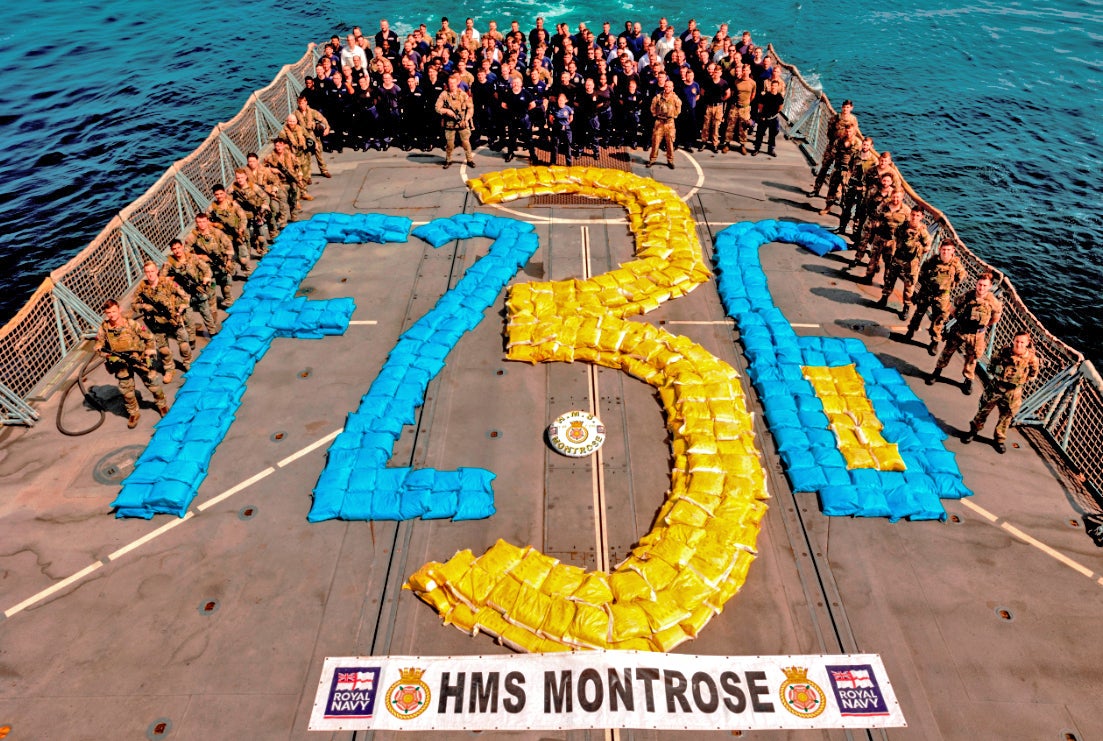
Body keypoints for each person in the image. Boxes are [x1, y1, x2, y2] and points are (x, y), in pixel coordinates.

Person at [94, 299, 168, 428]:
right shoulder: (104, 328)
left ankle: (162, 405)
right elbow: (99, 345)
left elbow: (149, 337)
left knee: (153, 383)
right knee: (127, 391)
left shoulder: (131, 324)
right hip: (120, 364)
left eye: (114, 311)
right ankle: (133, 413)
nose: (112, 315)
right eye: (108, 313)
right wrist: (106, 354)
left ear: (119, 310)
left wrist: (149, 351)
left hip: (139, 358)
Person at [962, 331, 1040, 453]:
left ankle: (999, 439)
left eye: (1022, 342)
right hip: (996, 387)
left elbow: (1033, 374)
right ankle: (973, 431)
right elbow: (991, 365)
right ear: (1013, 341)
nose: (1019, 344)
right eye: (1017, 341)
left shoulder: (1032, 359)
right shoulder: (1004, 352)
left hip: (1013, 392)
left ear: (1027, 343)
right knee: (983, 410)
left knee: (1006, 416)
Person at [927, 272, 1002, 395]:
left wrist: (983, 327)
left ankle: (968, 380)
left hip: (976, 335)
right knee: (947, 351)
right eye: (979, 284)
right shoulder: (967, 296)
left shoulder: (993, 302)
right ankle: (937, 372)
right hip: (960, 330)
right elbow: (952, 307)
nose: (981, 288)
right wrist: (960, 319)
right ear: (976, 284)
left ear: (989, 287)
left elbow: (996, 318)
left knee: (972, 358)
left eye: (984, 285)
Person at [132, 261, 192, 383]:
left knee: (184, 345)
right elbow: (133, 304)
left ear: (157, 271)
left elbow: (185, 296)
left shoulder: (167, 282)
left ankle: (187, 363)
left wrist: (180, 309)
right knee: (164, 350)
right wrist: (144, 307)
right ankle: (169, 369)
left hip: (173, 320)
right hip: (157, 324)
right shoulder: (142, 287)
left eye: (152, 271)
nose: (150, 275)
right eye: (147, 272)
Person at [904, 240, 966, 354]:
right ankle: (910, 331)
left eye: (948, 250)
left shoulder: (956, 266)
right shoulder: (932, 261)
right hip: (927, 292)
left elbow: (960, 277)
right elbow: (922, 273)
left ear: (953, 251)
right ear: (939, 250)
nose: (945, 252)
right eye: (943, 250)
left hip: (942, 296)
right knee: (918, 313)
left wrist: (947, 285)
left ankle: (934, 342)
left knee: (939, 320)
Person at [877, 206, 931, 318]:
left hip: (911, 263)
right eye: (913, 215)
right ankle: (884, 298)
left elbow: (927, 247)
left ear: (921, 217)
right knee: (890, 279)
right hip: (898, 258)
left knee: (909, 286)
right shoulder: (903, 226)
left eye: (917, 215)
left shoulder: (923, 232)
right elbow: (896, 236)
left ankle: (906, 308)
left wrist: (917, 248)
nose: (914, 218)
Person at [162, 238, 218, 339]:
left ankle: (212, 332)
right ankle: (191, 339)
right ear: (171, 250)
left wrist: (206, 279)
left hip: (197, 289)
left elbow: (206, 269)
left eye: (179, 247)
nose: (177, 251)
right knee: (188, 319)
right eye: (174, 249)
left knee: (206, 312)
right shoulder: (169, 263)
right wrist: (171, 279)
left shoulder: (192, 257)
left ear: (182, 247)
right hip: (183, 294)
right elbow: (161, 279)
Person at [183, 212, 236, 313]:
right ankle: (213, 313)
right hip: (205, 268)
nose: (201, 224)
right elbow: (186, 253)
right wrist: (199, 257)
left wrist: (228, 260)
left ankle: (229, 303)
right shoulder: (192, 237)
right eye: (199, 222)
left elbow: (228, 245)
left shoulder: (216, 233)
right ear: (196, 223)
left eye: (203, 221)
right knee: (211, 290)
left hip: (220, 264)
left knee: (226, 286)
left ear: (207, 221)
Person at [861, 185, 910, 283]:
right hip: (880, 237)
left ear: (902, 197)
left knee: (889, 263)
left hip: (893, 241)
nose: (896, 199)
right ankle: (868, 277)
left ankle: (886, 283)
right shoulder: (884, 205)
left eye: (898, 197)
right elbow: (876, 215)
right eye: (894, 196)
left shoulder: (906, 211)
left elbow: (908, 227)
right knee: (873, 258)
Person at [810, 99, 858, 197]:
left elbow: (854, 133)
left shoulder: (853, 120)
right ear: (842, 107)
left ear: (851, 108)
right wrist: (834, 142)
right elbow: (829, 131)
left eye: (848, 107)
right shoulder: (836, 118)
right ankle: (816, 189)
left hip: (843, 150)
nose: (845, 109)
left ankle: (837, 194)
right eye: (844, 107)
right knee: (824, 168)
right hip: (832, 147)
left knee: (840, 172)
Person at [207, 183, 252, 277]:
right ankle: (231, 272)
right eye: (217, 194)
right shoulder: (212, 208)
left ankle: (248, 274)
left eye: (221, 193)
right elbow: (206, 221)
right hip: (224, 237)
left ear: (224, 193)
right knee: (228, 258)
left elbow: (243, 218)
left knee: (243, 258)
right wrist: (215, 225)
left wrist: (241, 229)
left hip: (236, 233)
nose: (219, 196)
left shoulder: (232, 204)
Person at [436, 73, 475, 169]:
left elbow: (470, 108)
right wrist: (446, 111)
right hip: (449, 124)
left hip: (462, 122)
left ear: (457, 83)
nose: (452, 85)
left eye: (454, 83)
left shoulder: (463, 95)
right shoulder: (444, 95)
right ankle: (448, 160)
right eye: (450, 83)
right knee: (450, 144)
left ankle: (469, 160)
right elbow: (437, 107)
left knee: (466, 143)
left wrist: (466, 119)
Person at [230, 168, 271, 258]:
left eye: (241, 177)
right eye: (238, 178)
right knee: (246, 235)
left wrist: (264, 207)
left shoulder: (253, 187)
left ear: (245, 177)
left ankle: (264, 250)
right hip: (244, 215)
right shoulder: (234, 188)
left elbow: (265, 197)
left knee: (260, 234)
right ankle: (248, 253)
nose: (239, 180)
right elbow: (229, 200)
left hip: (256, 213)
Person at [295, 95, 332, 179]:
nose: (301, 105)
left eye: (303, 103)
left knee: (318, 151)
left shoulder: (312, 112)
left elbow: (322, 119)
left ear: (306, 102)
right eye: (300, 103)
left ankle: (324, 170)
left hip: (313, 134)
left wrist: (327, 128)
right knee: (306, 155)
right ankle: (307, 175)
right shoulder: (296, 114)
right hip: (303, 136)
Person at [647, 79, 681, 169]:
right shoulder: (658, 97)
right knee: (655, 142)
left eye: (669, 86)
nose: (667, 88)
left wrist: (673, 115)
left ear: (672, 88)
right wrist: (656, 115)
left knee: (670, 143)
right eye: (666, 86)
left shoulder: (675, 98)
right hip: (659, 123)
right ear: (664, 87)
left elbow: (678, 109)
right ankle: (652, 159)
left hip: (670, 123)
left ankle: (670, 160)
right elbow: (653, 107)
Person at [723, 65, 755, 154]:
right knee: (730, 126)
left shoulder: (753, 83)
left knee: (743, 128)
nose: (745, 71)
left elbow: (753, 95)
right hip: (735, 107)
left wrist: (746, 104)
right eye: (744, 70)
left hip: (745, 108)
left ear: (749, 71)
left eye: (747, 70)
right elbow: (733, 93)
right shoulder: (736, 81)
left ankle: (742, 145)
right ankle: (727, 144)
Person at [751, 78, 784, 156]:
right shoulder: (765, 95)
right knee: (760, 134)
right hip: (764, 117)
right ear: (770, 86)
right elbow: (760, 106)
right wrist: (762, 115)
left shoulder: (780, 97)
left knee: (772, 135)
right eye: (772, 85)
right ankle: (757, 148)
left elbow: (780, 107)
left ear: (778, 87)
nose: (773, 87)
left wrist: (774, 114)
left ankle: (771, 149)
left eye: (775, 86)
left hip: (773, 118)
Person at [547, 91, 574, 165]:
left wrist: (567, 124)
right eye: (559, 100)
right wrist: (555, 125)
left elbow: (571, 117)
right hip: (557, 129)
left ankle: (569, 164)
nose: (561, 102)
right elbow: (550, 118)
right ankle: (553, 163)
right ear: (557, 101)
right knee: (555, 146)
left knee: (567, 146)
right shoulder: (554, 108)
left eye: (562, 100)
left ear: (565, 101)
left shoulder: (568, 108)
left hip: (566, 129)